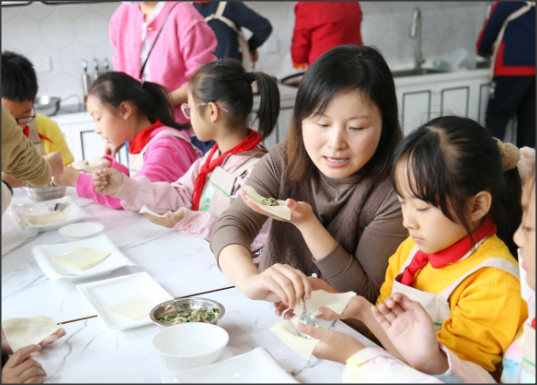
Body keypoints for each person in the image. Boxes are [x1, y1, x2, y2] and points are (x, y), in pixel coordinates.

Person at [296, 116, 527, 380]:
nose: (408, 220)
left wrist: (356, 352)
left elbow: (452, 376)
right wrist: (343, 302)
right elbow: (385, 331)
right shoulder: (411, 250)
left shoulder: (494, 282)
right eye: (402, 202)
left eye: (422, 208)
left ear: (476, 206)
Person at [210, 45, 407, 313]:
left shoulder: (396, 190)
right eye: (322, 124)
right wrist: (249, 280)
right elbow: (232, 224)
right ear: (301, 120)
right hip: (274, 319)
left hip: (346, 335)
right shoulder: (284, 160)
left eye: (356, 128)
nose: (336, 143)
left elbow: (365, 293)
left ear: (385, 125)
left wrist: (307, 223)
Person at [92, 59, 279, 248]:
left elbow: (253, 239)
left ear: (212, 112)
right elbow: (182, 194)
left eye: (189, 109)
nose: (188, 116)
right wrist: (125, 186)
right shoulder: (211, 159)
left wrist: (190, 220)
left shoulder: (254, 173)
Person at [51, 72, 200, 209]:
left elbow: (136, 196)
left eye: (98, 119)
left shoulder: (165, 146)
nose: (97, 129)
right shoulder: (142, 140)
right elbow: (136, 180)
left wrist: (76, 180)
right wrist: (107, 167)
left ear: (125, 111)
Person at [109, 1, 218, 155]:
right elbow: (120, 80)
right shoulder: (120, 17)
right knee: (141, 180)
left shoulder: (184, 14)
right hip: (138, 136)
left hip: (183, 132)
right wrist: (116, 134)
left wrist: (156, 101)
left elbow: (204, 79)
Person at [1, 51, 74, 188]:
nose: (16, 125)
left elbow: (68, 170)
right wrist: (41, 168)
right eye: (7, 117)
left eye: (24, 114)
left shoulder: (45, 127)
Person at [477, 1, 535, 149]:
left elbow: (488, 35)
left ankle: (494, 167)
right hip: (533, 73)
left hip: (510, 70)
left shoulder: (506, 4)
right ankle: (524, 170)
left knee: (497, 117)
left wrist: (483, 50)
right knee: (529, 122)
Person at [192, 1, 272, 71]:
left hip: (198, 78)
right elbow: (264, 27)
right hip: (229, 75)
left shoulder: (185, 10)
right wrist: (250, 47)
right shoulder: (229, 4)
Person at [2, 105, 63, 189]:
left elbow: (66, 165)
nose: (17, 123)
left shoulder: (45, 124)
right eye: (9, 115)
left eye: (24, 115)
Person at [291, 1, 363, 69]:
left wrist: (298, 60)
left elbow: (300, 46)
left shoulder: (307, 5)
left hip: (324, 68)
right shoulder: (353, 3)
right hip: (356, 63)